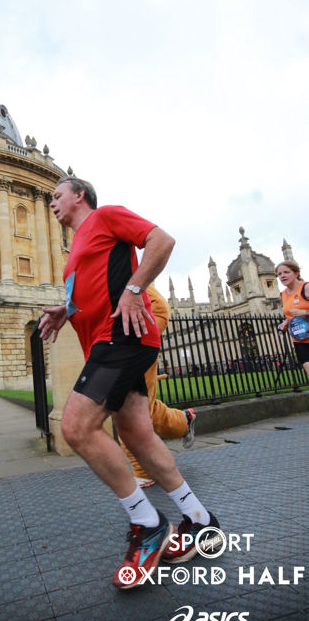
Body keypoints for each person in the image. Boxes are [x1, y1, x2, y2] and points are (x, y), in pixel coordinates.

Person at [40, 177, 221, 589]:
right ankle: (199, 519)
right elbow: (86, 293)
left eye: (56, 195)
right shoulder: (74, 252)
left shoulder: (106, 217)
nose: (51, 203)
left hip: (119, 338)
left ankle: (147, 522)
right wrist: (64, 311)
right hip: (107, 342)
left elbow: (162, 240)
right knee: (137, 434)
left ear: (79, 196)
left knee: (76, 427)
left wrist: (135, 288)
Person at [120, 285, 196, 488]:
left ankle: (143, 470)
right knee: (143, 408)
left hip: (133, 340)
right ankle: (183, 420)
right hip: (117, 342)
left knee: (127, 408)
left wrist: (139, 331)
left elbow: (159, 308)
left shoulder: (121, 265)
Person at [276, 260, 309, 376]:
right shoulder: (282, 295)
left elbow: (300, 312)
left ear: (296, 273)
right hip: (299, 339)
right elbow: (291, 314)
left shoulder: (306, 288)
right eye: (279, 274)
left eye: (286, 272)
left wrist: (304, 311)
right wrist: (286, 322)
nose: (282, 276)